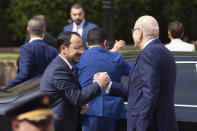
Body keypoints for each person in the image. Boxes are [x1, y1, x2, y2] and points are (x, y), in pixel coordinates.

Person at [94, 15, 178, 131]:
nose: (132, 34)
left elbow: (150, 94)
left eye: (133, 31)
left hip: (149, 125)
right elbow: (139, 91)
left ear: (140, 33)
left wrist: (141, 127)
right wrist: (109, 86)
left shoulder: (148, 54)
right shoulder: (167, 53)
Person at [40, 31, 110, 131]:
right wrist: (99, 84)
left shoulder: (64, 67)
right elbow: (77, 98)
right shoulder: (58, 69)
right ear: (63, 48)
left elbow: (69, 96)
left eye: (81, 47)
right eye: (77, 48)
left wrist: (79, 107)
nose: (81, 51)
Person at [75, 27, 131, 131]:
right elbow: (136, 74)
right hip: (113, 112)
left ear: (86, 44)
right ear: (104, 42)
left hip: (88, 111)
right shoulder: (116, 57)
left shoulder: (80, 58)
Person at [3, 17, 57, 89]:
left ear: (28, 30)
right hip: (47, 91)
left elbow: (24, 74)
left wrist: (5, 88)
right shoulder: (53, 50)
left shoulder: (26, 49)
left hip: (29, 92)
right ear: (44, 30)